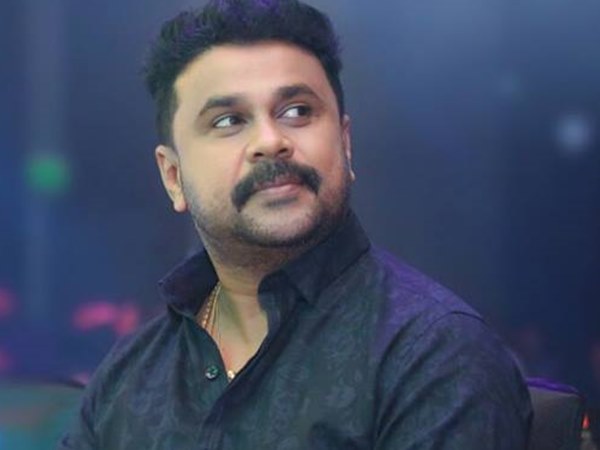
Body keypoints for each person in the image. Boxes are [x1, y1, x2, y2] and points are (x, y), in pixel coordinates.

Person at [59, 0, 532, 448]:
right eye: (228, 121)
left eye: (297, 112)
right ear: (173, 177)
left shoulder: (433, 354)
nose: (271, 141)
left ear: (345, 144)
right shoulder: (130, 375)